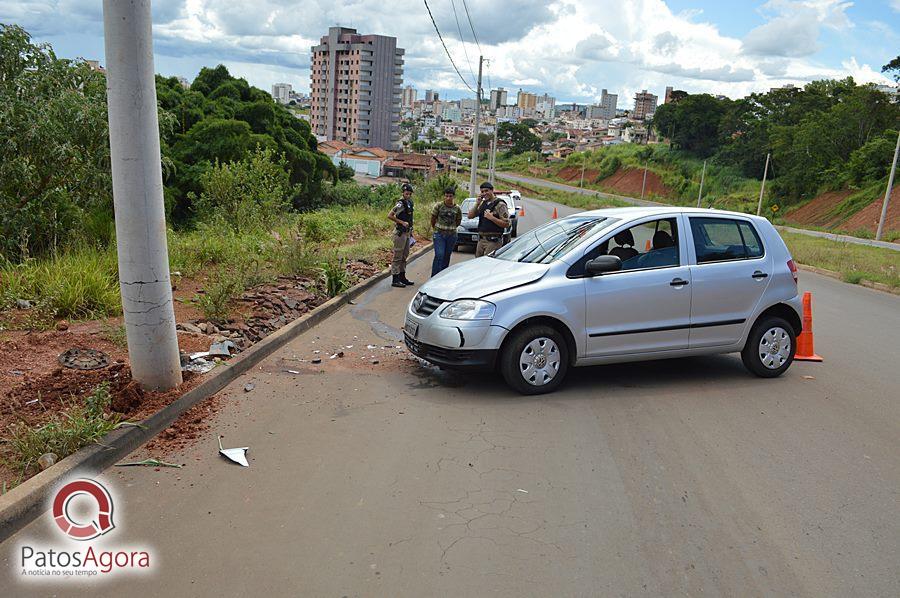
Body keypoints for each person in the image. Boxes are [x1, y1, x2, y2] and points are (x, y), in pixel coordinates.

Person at [468, 181, 510, 257]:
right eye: (482, 192)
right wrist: (477, 203)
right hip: (481, 240)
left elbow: (506, 224)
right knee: (477, 264)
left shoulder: (500, 204)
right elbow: (470, 216)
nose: (484, 193)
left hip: (493, 241)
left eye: (486, 191)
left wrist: (492, 218)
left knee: (487, 264)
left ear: (492, 190)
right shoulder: (483, 204)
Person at [388, 182, 415, 288]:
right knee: (397, 256)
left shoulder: (410, 203)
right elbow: (390, 215)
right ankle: (395, 278)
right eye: (406, 193)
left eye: (409, 193)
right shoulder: (400, 203)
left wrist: (411, 232)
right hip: (400, 233)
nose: (408, 195)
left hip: (407, 233)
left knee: (405, 256)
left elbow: (410, 218)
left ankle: (402, 276)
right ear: (403, 193)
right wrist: (401, 222)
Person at [430, 186, 462, 276]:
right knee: (439, 255)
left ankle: (442, 276)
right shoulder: (439, 206)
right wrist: (436, 229)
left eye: (450, 196)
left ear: (453, 197)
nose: (448, 198)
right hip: (439, 234)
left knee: (446, 256)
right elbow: (433, 219)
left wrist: (451, 228)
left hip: (452, 235)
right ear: (444, 196)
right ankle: (434, 277)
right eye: (446, 196)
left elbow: (458, 221)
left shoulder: (457, 208)